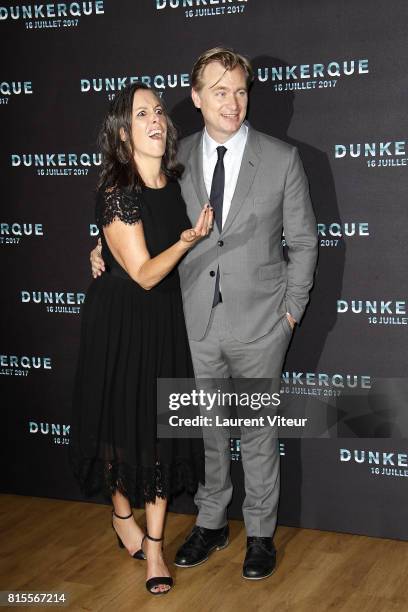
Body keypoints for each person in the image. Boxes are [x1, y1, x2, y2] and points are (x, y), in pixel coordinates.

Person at [91, 48, 318, 581]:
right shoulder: (174, 160)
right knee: (207, 431)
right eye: (219, 91)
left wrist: (291, 314)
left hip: (263, 322)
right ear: (195, 99)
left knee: (259, 432)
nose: (232, 102)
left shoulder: (282, 158)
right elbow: (135, 218)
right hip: (190, 322)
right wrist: (102, 248)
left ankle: (260, 533)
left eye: (240, 91)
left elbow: (305, 243)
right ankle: (212, 522)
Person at [70, 83, 212, 595]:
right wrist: (185, 241)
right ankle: (121, 516)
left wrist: (105, 240)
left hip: (163, 322)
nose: (155, 119)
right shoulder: (117, 192)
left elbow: (140, 246)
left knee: (157, 436)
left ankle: (154, 546)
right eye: (141, 114)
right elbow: (146, 273)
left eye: (158, 111)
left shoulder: (174, 183)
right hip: (123, 319)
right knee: (118, 426)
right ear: (124, 133)